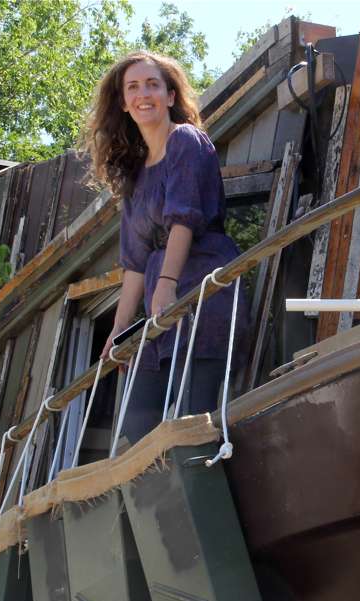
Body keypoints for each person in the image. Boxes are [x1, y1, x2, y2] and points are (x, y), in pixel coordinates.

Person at [82, 51, 246, 446]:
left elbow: (184, 218)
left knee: (194, 423)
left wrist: (168, 282)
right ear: (123, 103)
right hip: (160, 309)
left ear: (170, 96)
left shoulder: (185, 142)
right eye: (133, 87)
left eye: (153, 85)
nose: (144, 94)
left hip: (202, 295)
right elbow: (136, 263)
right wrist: (119, 331)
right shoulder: (136, 176)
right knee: (135, 433)